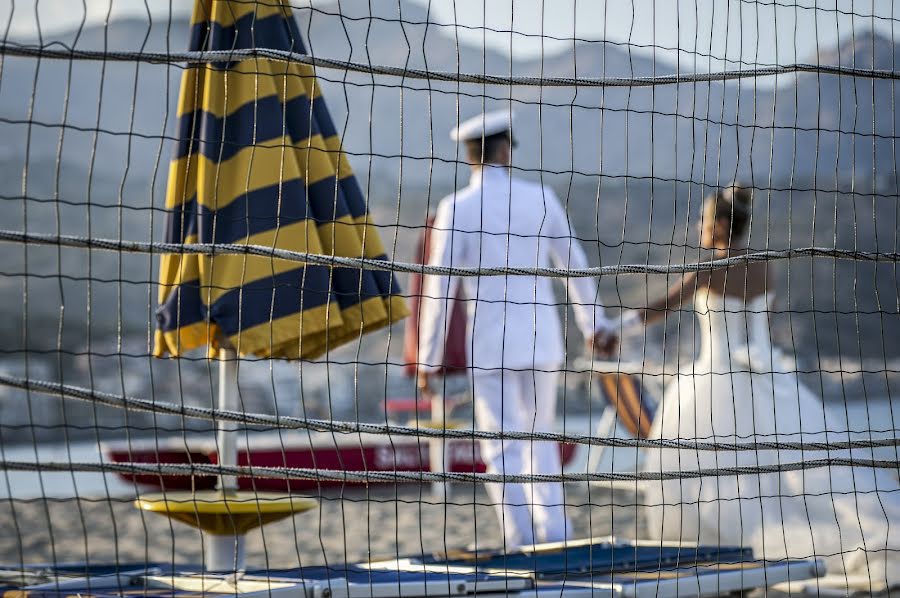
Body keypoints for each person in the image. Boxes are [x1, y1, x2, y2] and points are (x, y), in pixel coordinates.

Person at [627, 185, 900, 590]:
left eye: (703, 220)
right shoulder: (765, 267)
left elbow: (656, 310)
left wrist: (611, 330)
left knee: (716, 471)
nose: (698, 227)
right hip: (765, 374)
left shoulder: (705, 272)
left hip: (715, 378)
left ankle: (723, 553)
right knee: (780, 470)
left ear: (720, 225)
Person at [416, 109, 618, 549]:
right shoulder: (541, 197)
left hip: (489, 345)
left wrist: (428, 361)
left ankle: (521, 538)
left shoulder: (456, 208)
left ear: (469, 155)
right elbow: (574, 267)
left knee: (500, 447)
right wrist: (595, 324)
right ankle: (555, 536)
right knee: (540, 439)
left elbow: (439, 289)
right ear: (506, 149)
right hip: (542, 338)